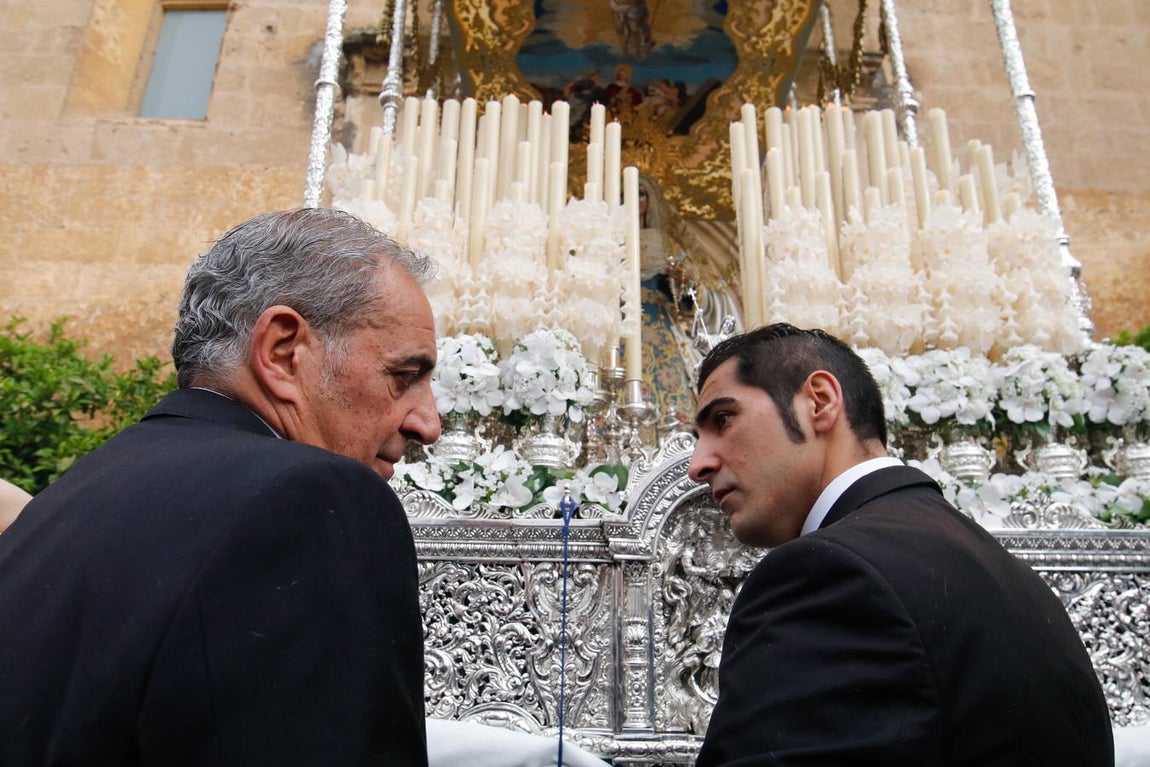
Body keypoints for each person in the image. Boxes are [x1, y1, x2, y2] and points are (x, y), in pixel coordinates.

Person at [0, 208, 441, 765]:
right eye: (404, 377)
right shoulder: (313, 499)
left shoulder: (79, 491)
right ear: (283, 352)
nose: (428, 422)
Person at [688, 323, 1114, 766]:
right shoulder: (1009, 571)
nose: (698, 466)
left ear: (819, 402)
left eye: (723, 420)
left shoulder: (831, 573)